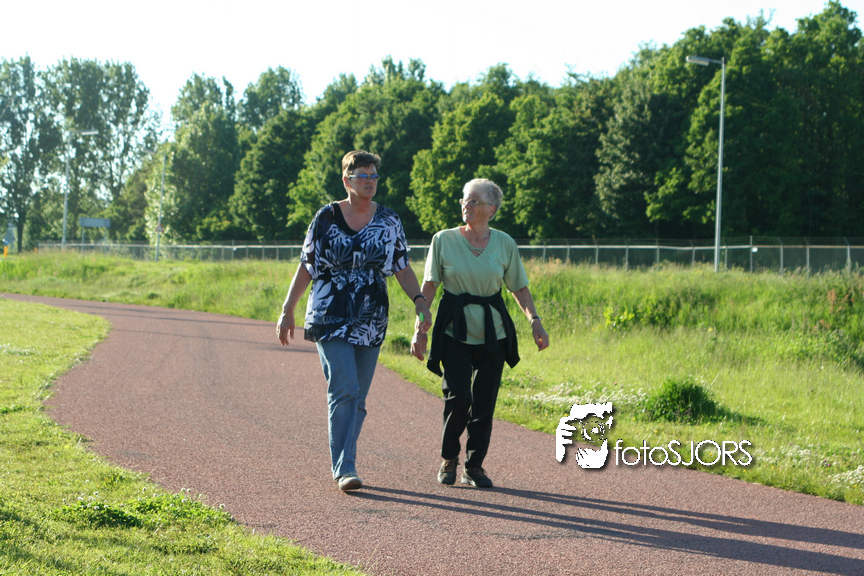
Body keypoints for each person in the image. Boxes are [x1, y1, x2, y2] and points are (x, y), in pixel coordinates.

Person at [277, 150, 431, 492]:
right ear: (347, 180)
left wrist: (420, 301)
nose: (370, 182)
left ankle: (346, 462)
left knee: (358, 396)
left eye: (374, 176)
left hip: (371, 316)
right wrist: (288, 308)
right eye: (363, 176)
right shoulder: (326, 217)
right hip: (329, 312)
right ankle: (345, 467)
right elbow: (307, 264)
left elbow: (402, 266)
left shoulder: (389, 220)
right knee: (344, 387)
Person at [411, 178, 549, 488]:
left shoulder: (504, 243)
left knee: (484, 402)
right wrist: (419, 329)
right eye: (465, 200)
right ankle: (449, 458)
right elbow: (428, 288)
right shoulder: (443, 240)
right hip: (454, 329)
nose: (467, 206)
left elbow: (518, 287)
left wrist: (535, 321)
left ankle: (474, 466)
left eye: (474, 201)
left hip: (493, 332)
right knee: (459, 397)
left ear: (492, 209)